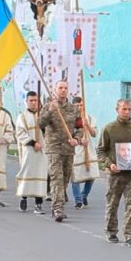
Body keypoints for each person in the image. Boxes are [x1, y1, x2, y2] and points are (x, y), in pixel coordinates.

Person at [97, 99, 131, 248]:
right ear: (117, 109)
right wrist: (110, 164)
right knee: (112, 203)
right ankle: (111, 231)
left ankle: (129, 235)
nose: (127, 112)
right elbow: (100, 151)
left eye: (129, 109)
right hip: (115, 174)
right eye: (124, 109)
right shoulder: (109, 129)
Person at [38, 80, 84, 222]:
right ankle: (57, 208)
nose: (63, 90)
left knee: (64, 179)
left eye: (65, 88)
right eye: (60, 88)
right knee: (56, 177)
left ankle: (58, 203)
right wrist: (50, 112)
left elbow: (79, 128)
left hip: (68, 148)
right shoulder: (48, 107)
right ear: (55, 90)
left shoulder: (74, 109)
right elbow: (40, 124)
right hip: (54, 147)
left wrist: (76, 139)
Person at [15, 91, 47, 213]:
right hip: (29, 150)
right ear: (27, 102)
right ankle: (23, 197)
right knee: (27, 173)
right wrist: (33, 143)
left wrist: (43, 125)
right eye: (31, 100)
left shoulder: (43, 116)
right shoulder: (22, 117)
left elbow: (49, 131)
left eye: (36, 100)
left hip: (42, 150)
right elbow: (20, 133)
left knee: (41, 174)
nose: (34, 103)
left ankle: (38, 203)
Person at [71, 97, 99, 210]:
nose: (79, 107)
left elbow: (94, 134)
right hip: (76, 150)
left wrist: (87, 126)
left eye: (81, 105)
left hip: (89, 149)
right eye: (76, 105)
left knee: (91, 175)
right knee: (75, 176)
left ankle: (84, 195)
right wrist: (78, 140)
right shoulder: (69, 118)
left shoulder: (90, 118)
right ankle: (78, 200)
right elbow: (67, 134)